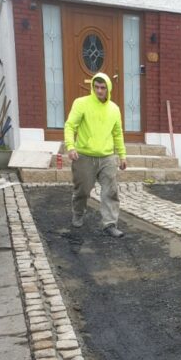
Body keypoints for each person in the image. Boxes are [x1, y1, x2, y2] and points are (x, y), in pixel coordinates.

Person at [64, 72, 127, 238]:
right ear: (93, 87)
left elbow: (118, 133)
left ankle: (110, 223)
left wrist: (122, 155)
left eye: (103, 87)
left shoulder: (114, 109)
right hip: (84, 155)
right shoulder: (81, 103)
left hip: (107, 157)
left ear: (108, 88)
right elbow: (70, 126)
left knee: (111, 190)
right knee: (82, 190)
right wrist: (71, 147)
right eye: (97, 87)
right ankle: (78, 213)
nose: (99, 91)